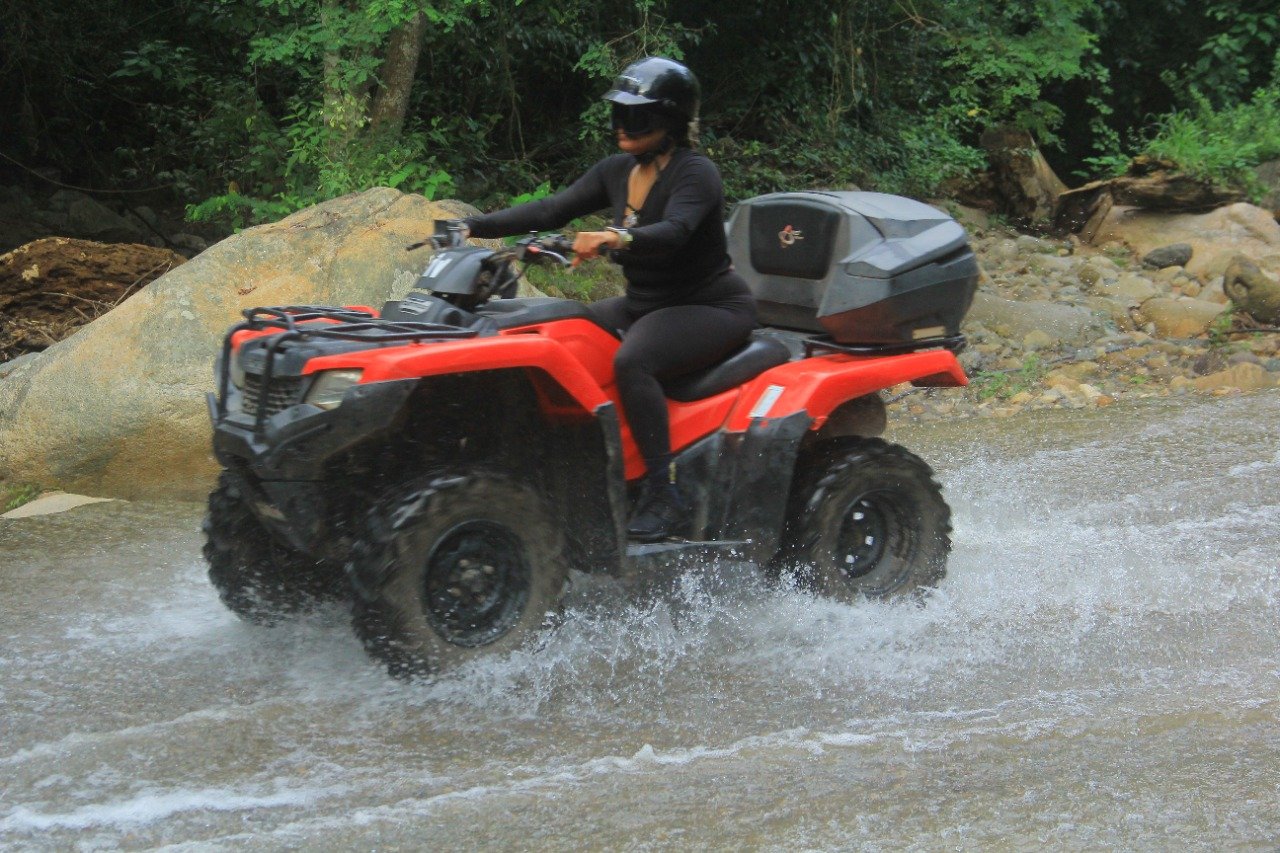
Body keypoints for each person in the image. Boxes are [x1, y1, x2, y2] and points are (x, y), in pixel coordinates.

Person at [460, 56, 757, 542]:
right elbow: (554, 208)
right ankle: (582, 464)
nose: (622, 125)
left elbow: (676, 231)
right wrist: (474, 225)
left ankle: (664, 493)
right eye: (618, 113)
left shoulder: (696, 173)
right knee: (565, 330)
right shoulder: (618, 169)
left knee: (634, 361)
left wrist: (616, 238)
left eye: (635, 115)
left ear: (669, 121)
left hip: (709, 306)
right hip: (645, 302)